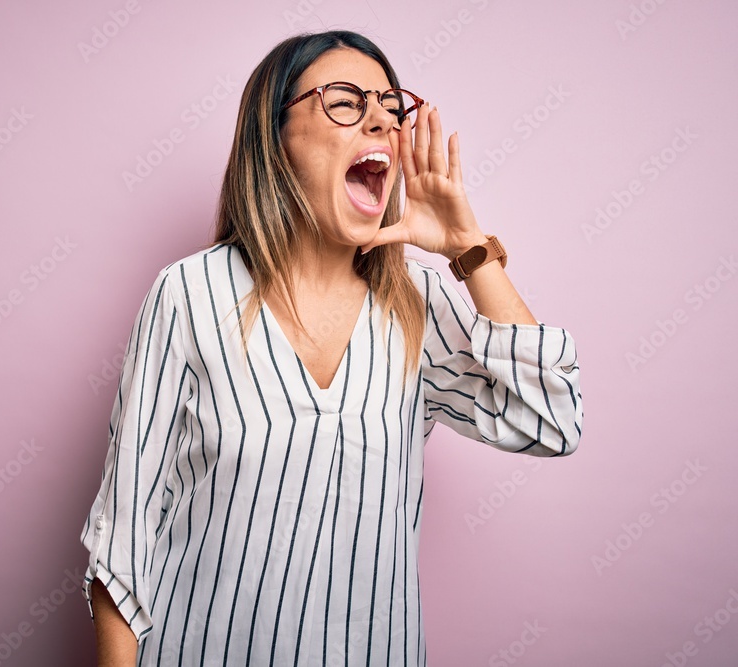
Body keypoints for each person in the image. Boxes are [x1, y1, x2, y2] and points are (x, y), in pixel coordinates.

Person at [79, 29, 583, 667]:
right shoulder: (189, 294)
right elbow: (123, 540)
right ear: (276, 137)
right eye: (345, 100)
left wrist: (468, 249)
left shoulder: (416, 303)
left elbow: (553, 419)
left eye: (388, 106)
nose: (379, 119)